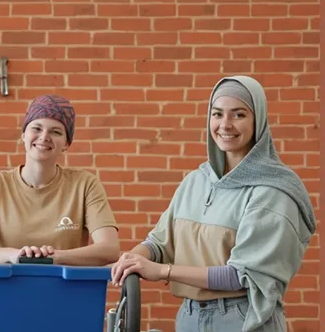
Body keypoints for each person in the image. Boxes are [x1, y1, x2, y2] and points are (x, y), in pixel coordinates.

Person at [110, 76, 316, 332]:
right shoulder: (196, 181)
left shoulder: (273, 190)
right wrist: (133, 258)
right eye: (217, 114)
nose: (225, 125)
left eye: (238, 115)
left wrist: (163, 271)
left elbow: (239, 276)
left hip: (242, 318)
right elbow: (159, 242)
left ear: (258, 121)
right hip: (189, 315)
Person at [0, 94, 121, 265]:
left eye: (56, 131)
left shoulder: (85, 184)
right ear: (23, 135)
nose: (44, 137)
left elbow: (109, 249)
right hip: (5, 288)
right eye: (36, 128)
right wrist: (14, 255)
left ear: (67, 143)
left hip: (67, 290)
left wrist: (54, 257)